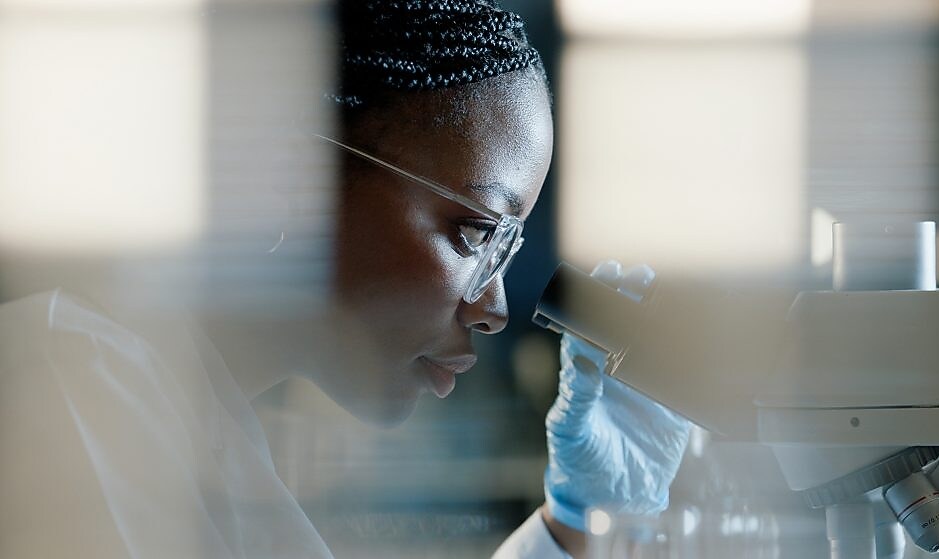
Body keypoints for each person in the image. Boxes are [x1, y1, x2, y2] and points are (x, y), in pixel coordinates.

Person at [0, 1, 689, 557]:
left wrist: (575, 524)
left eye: (509, 249)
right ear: (299, 182)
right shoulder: (72, 384)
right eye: (478, 232)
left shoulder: (201, 426)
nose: (494, 308)